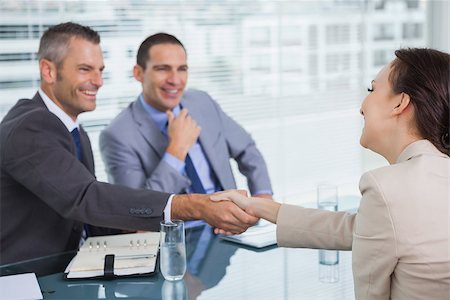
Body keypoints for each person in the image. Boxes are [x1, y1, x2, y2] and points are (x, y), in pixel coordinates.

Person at [0, 22, 257, 265]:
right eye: (84, 69)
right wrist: (196, 206)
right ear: (49, 70)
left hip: (75, 269)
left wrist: (133, 226)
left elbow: (87, 218)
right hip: (28, 279)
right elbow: (86, 198)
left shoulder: (73, 130)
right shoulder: (30, 127)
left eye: (100, 70)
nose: (98, 81)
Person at [212, 48, 450, 299]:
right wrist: (257, 206)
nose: (362, 107)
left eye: (372, 90)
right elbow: (360, 229)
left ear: (400, 103)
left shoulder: (386, 187)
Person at [99, 33, 273, 200]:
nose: (175, 80)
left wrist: (262, 197)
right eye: (163, 69)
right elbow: (136, 210)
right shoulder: (117, 135)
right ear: (138, 73)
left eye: (182, 69)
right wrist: (177, 150)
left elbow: (246, 149)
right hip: (180, 228)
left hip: (230, 224)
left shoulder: (202, 102)